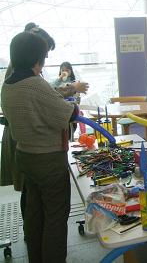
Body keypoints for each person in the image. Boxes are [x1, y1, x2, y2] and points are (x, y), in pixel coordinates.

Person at [1, 31, 78, 262]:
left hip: (24, 156)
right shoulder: (35, 84)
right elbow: (66, 114)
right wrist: (72, 106)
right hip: (48, 161)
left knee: (34, 215)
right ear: (38, 58)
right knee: (55, 216)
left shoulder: (7, 85)